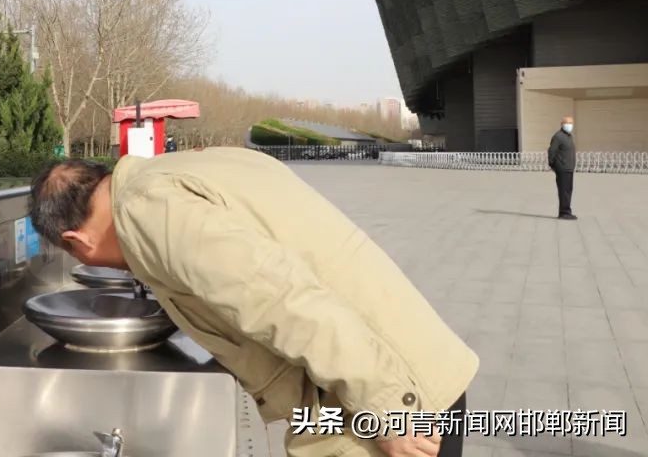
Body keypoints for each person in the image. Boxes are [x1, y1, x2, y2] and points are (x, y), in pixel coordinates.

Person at [29, 148, 477, 457]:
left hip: (386, 398)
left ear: (76, 242)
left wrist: (388, 409)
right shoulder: (183, 169)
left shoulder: (148, 211)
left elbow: (285, 302)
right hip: (404, 364)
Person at [547, 116, 576, 220]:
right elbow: (551, 151)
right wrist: (553, 164)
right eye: (567, 123)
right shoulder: (558, 136)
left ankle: (567, 211)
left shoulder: (569, 136)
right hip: (562, 169)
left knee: (568, 190)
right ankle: (564, 213)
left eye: (571, 123)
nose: (569, 125)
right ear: (562, 124)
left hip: (569, 168)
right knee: (563, 191)